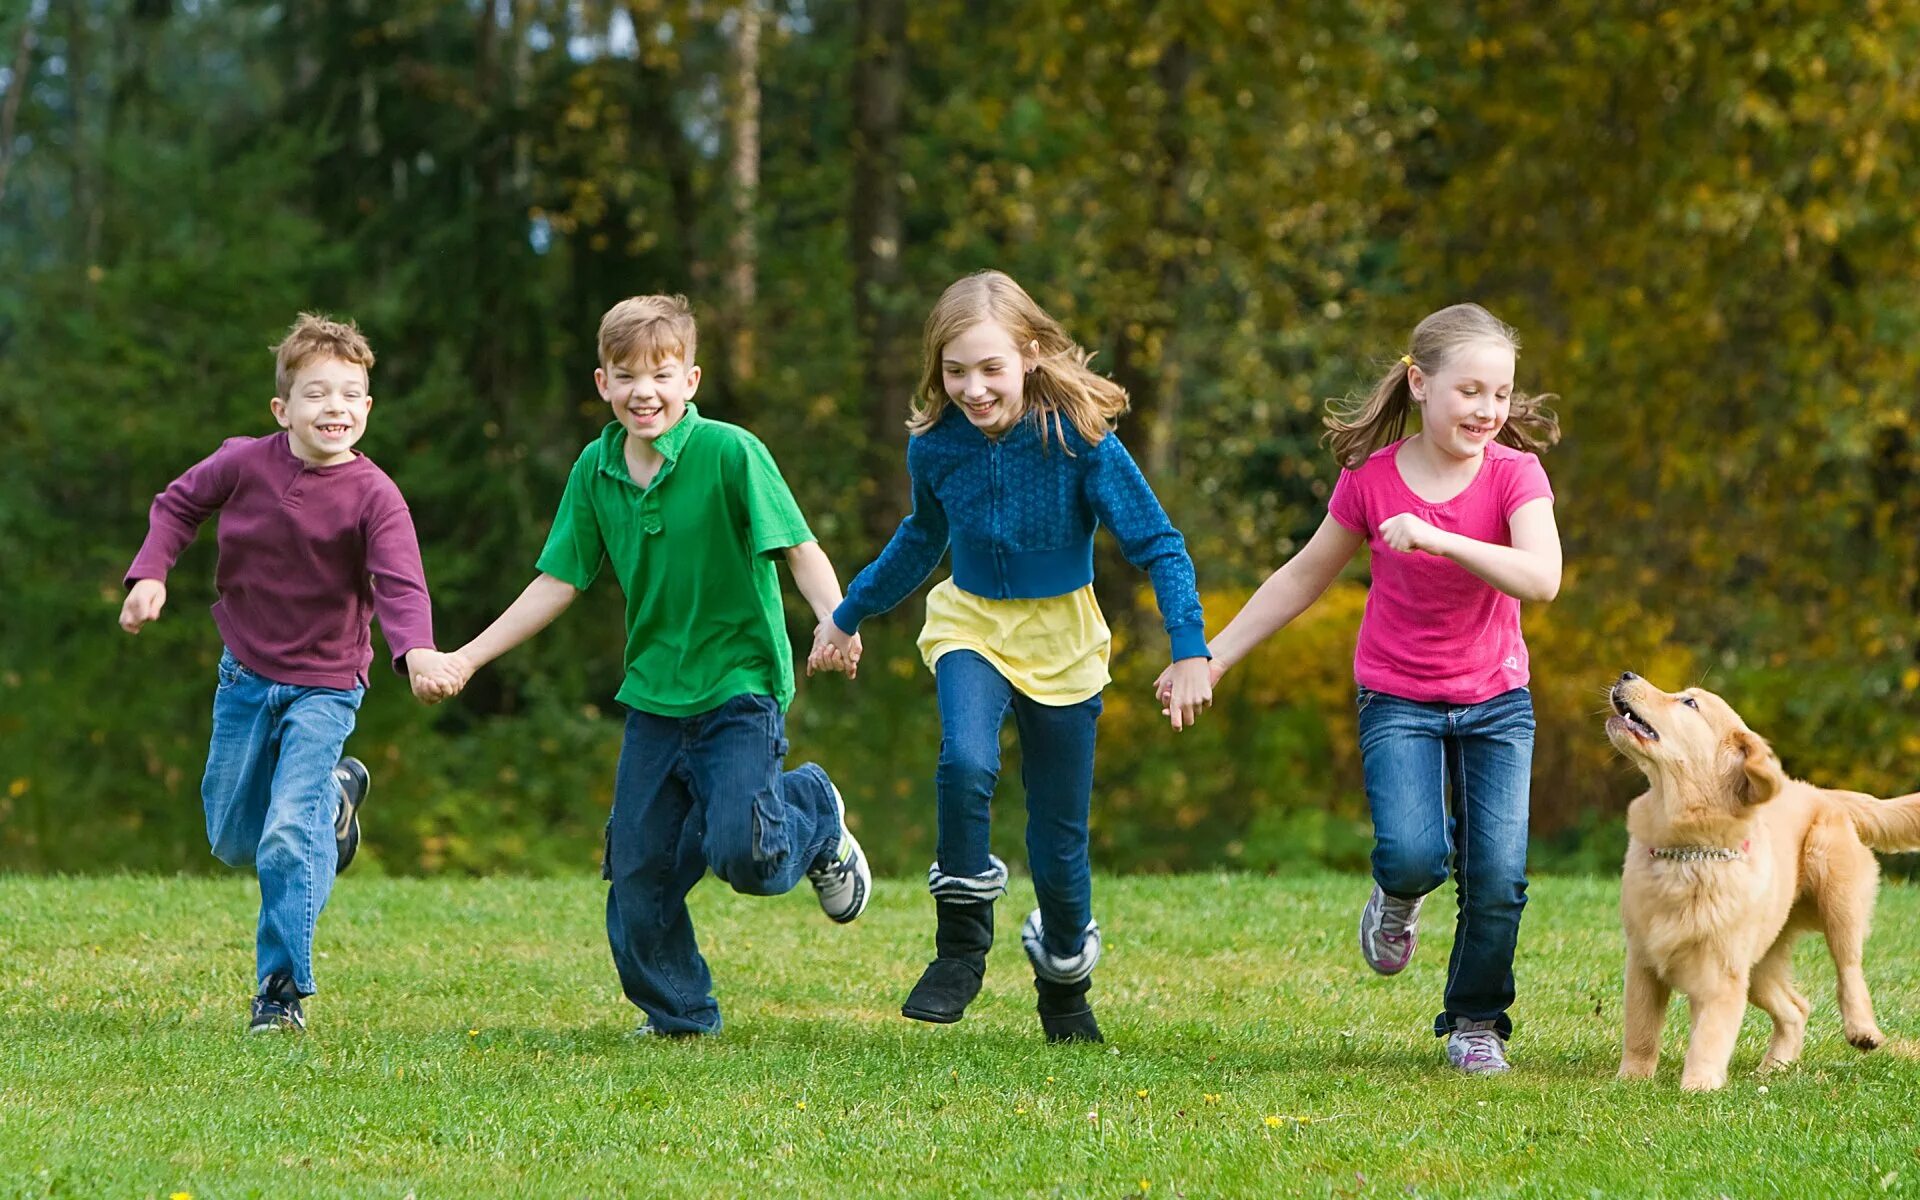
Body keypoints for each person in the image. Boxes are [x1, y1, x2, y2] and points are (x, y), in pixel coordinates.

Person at [426, 294, 869, 1037]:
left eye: (661, 374)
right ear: (601, 383)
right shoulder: (596, 472)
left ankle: (815, 810)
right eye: (626, 375)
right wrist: (467, 656)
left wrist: (835, 619)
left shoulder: (731, 453)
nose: (644, 391)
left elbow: (798, 547)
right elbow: (559, 580)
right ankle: (680, 1016)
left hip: (739, 688)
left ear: (691, 380)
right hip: (656, 699)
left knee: (748, 856)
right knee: (636, 868)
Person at [1165, 302, 1561, 1073]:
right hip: (1399, 700)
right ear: (1419, 383)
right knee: (1415, 854)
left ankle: (1476, 1022)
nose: (1488, 410)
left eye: (1502, 395)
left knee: (1499, 876)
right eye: (1469, 391)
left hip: (1496, 703)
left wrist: (1442, 537)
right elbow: (1302, 577)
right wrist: (1213, 656)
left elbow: (1542, 578)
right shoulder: (1371, 481)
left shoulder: (1517, 475)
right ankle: (1397, 896)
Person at [822, 270, 1213, 1043]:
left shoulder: (1079, 439)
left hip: (1062, 639)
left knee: (1057, 838)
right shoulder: (936, 446)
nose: (972, 387)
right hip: (971, 624)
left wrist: (1190, 646)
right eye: (954, 370)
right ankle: (961, 949)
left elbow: (1159, 545)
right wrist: (846, 615)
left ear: (1030, 355)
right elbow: (920, 538)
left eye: (990, 367)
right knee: (965, 762)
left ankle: (1065, 984)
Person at [119, 312, 460, 1033]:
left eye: (349, 394)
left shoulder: (376, 497)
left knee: (284, 838)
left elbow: (400, 585)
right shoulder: (245, 463)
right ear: (283, 409)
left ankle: (279, 991)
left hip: (327, 686)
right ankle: (336, 804)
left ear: (367, 408)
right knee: (234, 837)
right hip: (244, 674)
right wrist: (150, 574)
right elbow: (178, 504)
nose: (333, 407)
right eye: (315, 394)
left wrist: (417, 651)